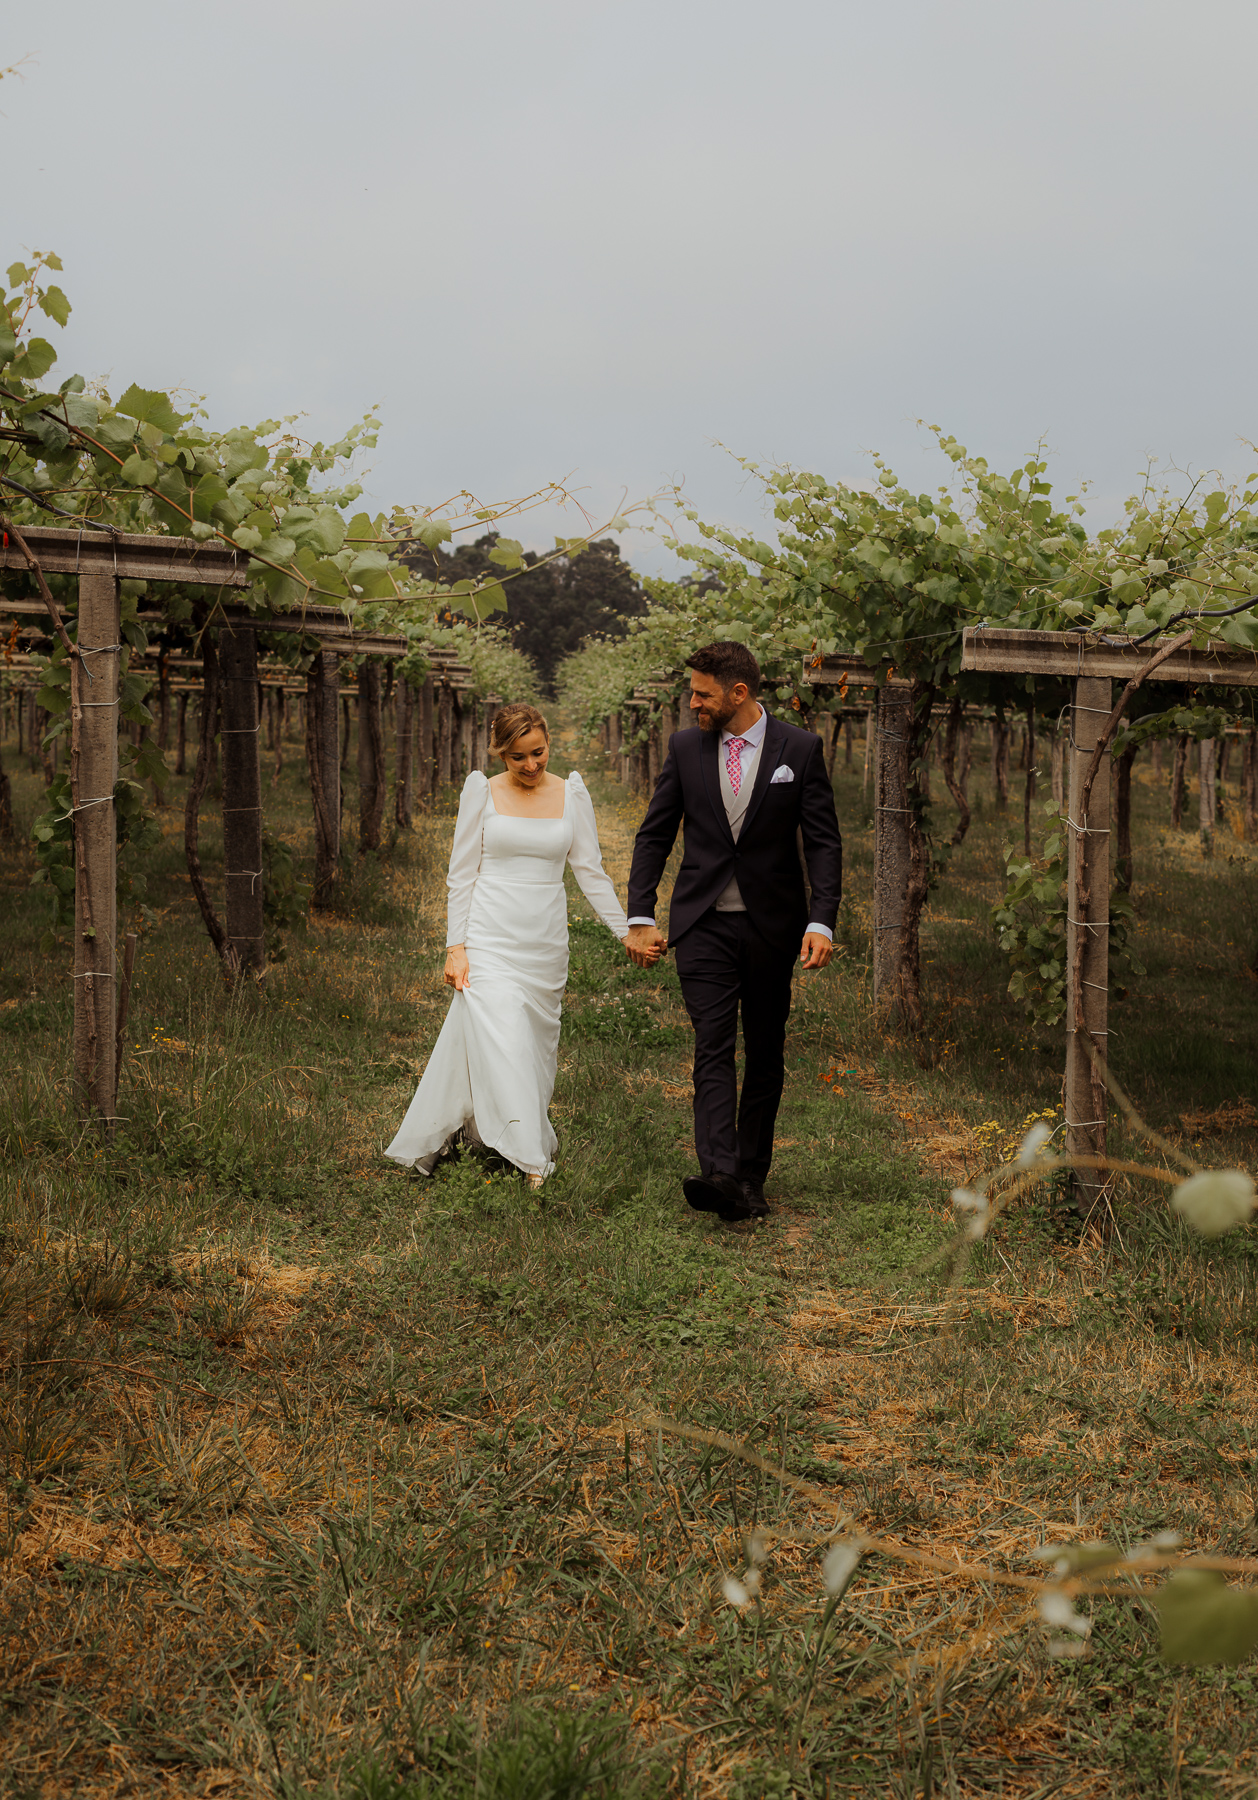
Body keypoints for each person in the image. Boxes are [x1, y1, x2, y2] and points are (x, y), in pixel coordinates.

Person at [625, 642, 842, 1222]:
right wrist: (640, 914)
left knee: (765, 1053)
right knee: (713, 1045)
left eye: (701, 693)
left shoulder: (800, 748)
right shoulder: (684, 747)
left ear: (738, 694)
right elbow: (654, 835)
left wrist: (821, 919)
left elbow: (822, 841)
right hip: (703, 927)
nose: (692, 701)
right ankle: (719, 1171)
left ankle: (751, 1177)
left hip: (774, 927)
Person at [385, 703, 645, 1187]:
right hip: (489, 934)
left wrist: (624, 930)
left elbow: (589, 871)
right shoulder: (481, 791)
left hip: (544, 942)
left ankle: (477, 1127)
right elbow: (461, 874)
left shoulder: (571, 794)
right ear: (501, 753)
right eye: (517, 757)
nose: (530, 766)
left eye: (539, 753)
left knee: (530, 1048)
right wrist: (455, 946)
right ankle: (530, 1160)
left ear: (549, 743)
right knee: (501, 1029)